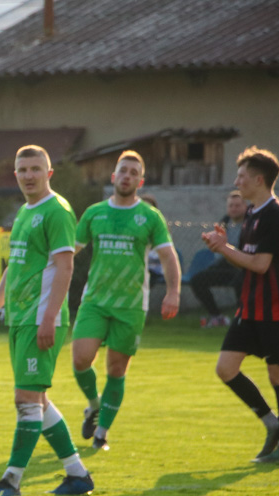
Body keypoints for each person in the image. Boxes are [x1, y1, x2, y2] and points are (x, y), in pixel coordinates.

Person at [0, 145, 93, 496]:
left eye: (35, 169)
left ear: (49, 173)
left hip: (42, 319)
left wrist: (50, 317)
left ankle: (11, 479)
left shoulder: (57, 211)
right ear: (15, 175)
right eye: (22, 169)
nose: (29, 175)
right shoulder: (26, 212)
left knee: (26, 397)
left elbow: (66, 265)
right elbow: (16, 266)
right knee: (35, 398)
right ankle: (77, 474)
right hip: (22, 318)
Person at [72, 151, 181, 451]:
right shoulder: (94, 213)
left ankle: (101, 434)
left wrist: (173, 292)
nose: (127, 176)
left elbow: (168, 255)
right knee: (80, 359)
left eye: (134, 172)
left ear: (140, 180)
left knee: (116, 370)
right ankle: (94, 406)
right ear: (113, 177)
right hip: (95, 299)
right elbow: (71, 251)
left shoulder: (150, 216)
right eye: (123, 171)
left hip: (131, 304)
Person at [203, 146, 279, 463]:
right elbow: (248, 261)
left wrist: (225, 249)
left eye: (241, 175)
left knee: (277, 373)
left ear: (259, 179)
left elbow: (261, 265)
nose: (236, 180)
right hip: (249, 309)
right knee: (226, 369)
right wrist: (226, 247)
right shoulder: (251, 213)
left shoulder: (276, 216)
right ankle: (272, 424)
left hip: (276, 311)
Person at [191, 191, 247, 327]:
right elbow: (218, 249)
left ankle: (243, 319)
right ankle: (217, 316)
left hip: (243, 265)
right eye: (231, 206)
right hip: (224, 264)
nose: (234, 208)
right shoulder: (223, 223)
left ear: (245, 207)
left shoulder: (251, 224)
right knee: (197, 280)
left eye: (237, 205)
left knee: (240, 282)